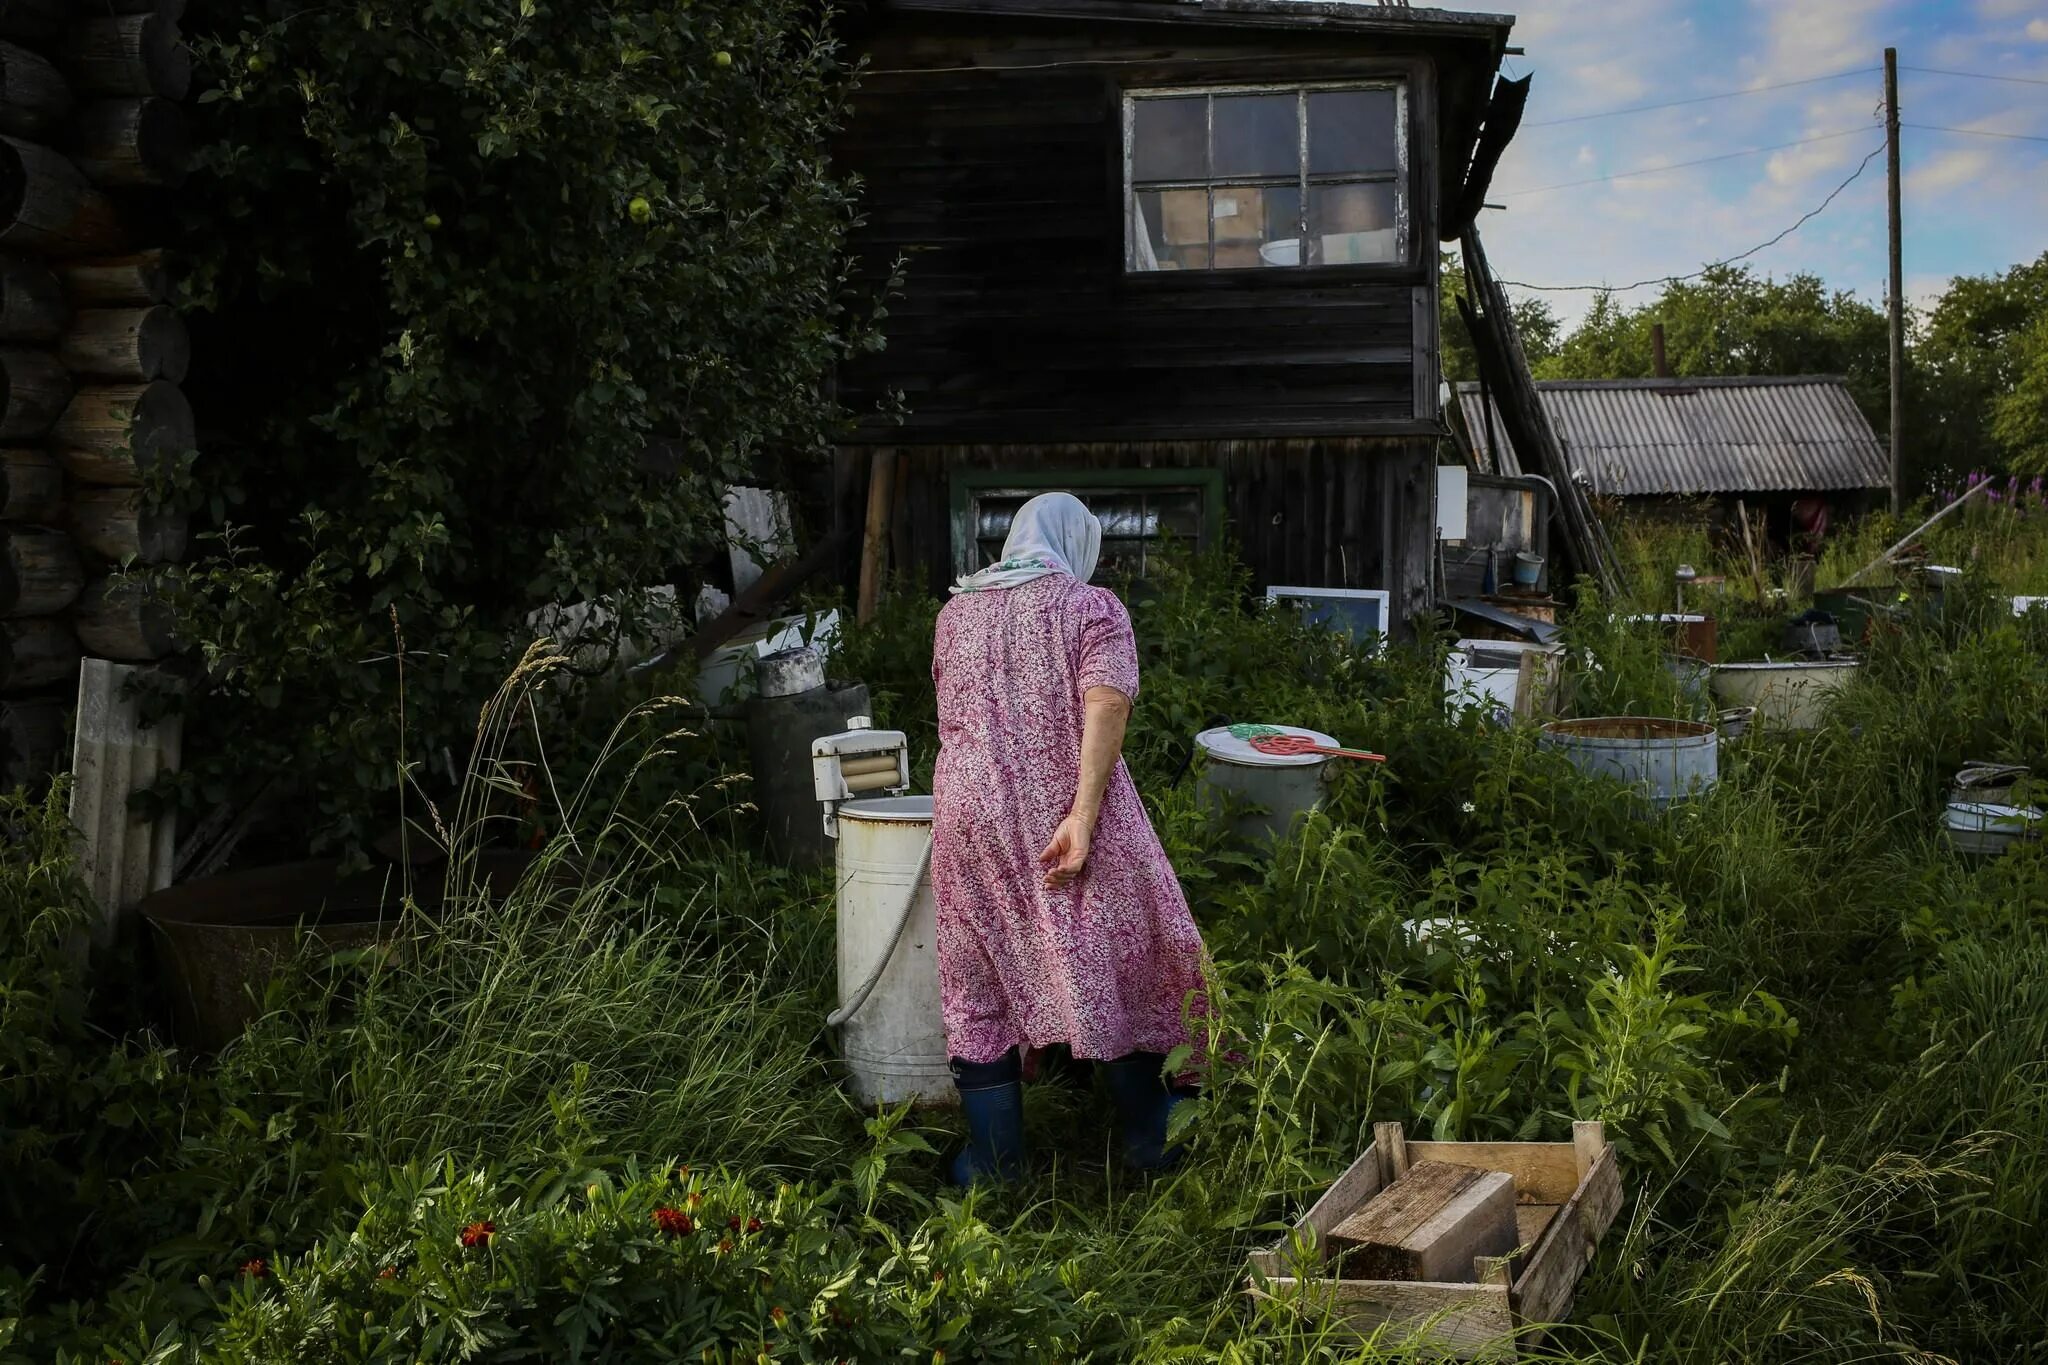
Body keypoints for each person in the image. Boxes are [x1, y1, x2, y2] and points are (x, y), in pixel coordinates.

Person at [930, 491, 1211, 1184]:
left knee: (977, 978)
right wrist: (1082, 816)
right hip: (1056, 811)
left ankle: (994, 1165)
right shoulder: (1090, 607)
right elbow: (1108, 698)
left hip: (967, 819)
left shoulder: (954, 613)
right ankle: (1150, 1136)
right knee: (1111, 957)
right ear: (1073, 543)